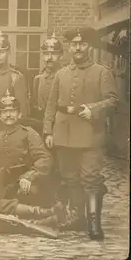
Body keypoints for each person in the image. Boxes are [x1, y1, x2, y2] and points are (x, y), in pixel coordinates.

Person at [43, 27, 119, 240]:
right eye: (74, 44)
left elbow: (113, 101)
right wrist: (48, 130)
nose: (77, 47)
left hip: (90, 135)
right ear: (69, 47)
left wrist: (92, 109)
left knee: (91, 178)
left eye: (82, 43)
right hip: (63, 133)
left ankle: (94, 223)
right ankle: (78, 219)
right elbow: (51, 104)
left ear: (89, 46)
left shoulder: (102, 72)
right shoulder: (61, 74)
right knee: (70, 178)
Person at [0, 90, 53, 206]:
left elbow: (45, 159)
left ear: (19, 114)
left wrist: (29, 177)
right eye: (4, 112)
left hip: (28, 184)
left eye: (12, 111)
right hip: (5, 187)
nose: (8, 115)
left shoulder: (29, 133)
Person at [32, 32, 64, 126]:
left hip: (61, 124)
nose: (49, 58)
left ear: (61, 56)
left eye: (53, 54)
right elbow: (36, 105)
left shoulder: (65, 77)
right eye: (46, 54)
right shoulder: (38, 80)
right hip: (42, 124)